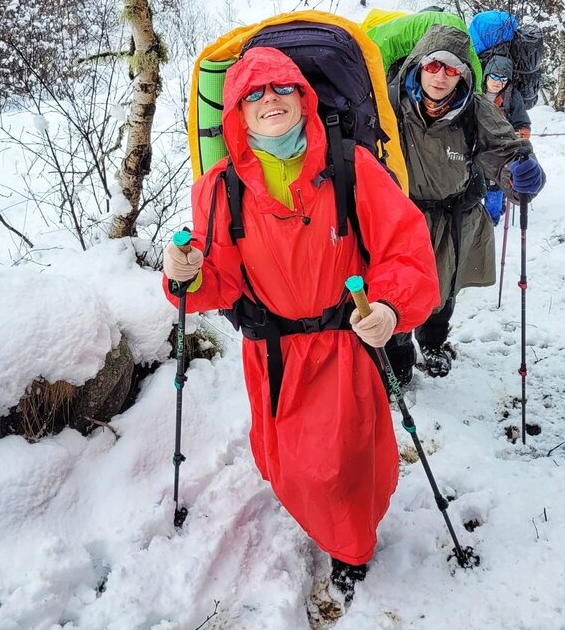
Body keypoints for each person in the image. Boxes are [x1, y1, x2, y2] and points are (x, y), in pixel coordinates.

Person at [162, 46, 438, 598]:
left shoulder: (351, 167)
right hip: (274, 358)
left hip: (342, 348)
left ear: (304, 97)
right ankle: (337, 529)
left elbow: (405, 251)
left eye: (283, 87)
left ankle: (352, 550)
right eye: (254, 93)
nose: (270, 99)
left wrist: (388, 306)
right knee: (288, 467)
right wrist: (184, 275)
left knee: (344, 467)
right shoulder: (218, 187)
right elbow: (220, 280)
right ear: (236, 111)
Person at [382, 25, 545, 381]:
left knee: (443, 290)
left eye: (452, 68)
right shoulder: (389, 103)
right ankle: (398, 359)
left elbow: (505, 151)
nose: (441, 76)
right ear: (419, 65)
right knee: (395, 292)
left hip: (453, 216)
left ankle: (433, 343)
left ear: (464, 74)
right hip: (399, 219)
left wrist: (520, 173)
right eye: (433, 66)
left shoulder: (475, 109)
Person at [482, 53, 531, 138]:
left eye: (503, 78)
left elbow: (523, 124)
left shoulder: (512, 95)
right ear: (486, 76)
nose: (498, 82)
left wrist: (521, 135)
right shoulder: (475, 91)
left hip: (502, 140)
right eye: (494, 76)